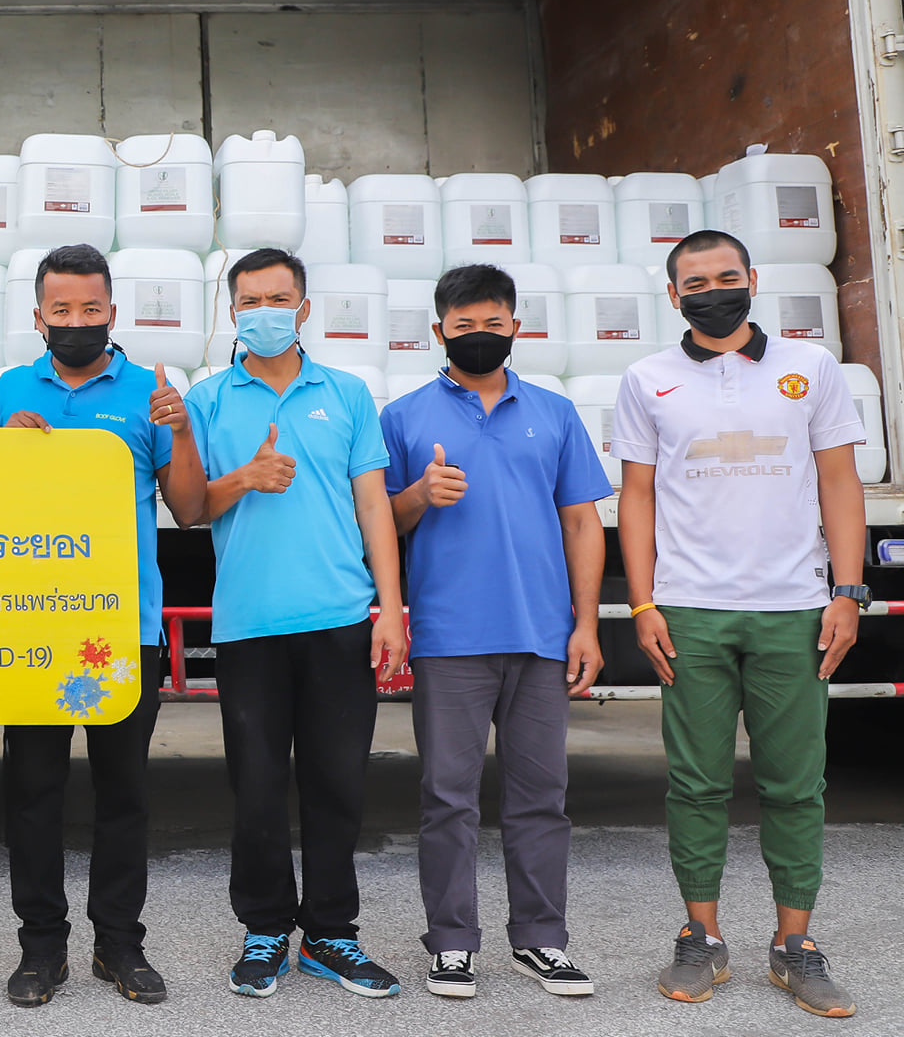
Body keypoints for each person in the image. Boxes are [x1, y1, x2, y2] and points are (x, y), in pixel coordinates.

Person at [615, 230, 866, 1019]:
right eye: (695, 283)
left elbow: (839, 481)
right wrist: (643, 604)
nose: (713, 291)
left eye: (726, 277)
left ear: (753, 280)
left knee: (796, 784)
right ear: (673, 295)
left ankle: (795, 947)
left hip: (794, 609)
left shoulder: (810, 368)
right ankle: (702, 937)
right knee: (696, 783)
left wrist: (848, 592)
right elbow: (636, 495)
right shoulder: (647, 379)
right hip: (690, 610)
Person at [0, 244, 208, 1008]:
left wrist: (181, 429)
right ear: (38, 317)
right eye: (62, 310)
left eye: (91, 309)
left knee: (123, 793)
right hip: (34, 629)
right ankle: (41, 948)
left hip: (121, 630)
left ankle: (119, 945)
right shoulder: (9, 392)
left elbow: (189, 509)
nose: (77, 321)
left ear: (112, 313)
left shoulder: (149, 393)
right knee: (32, 793)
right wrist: (3, 454)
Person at [181, 247, 408, 1000]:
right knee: (255, 787)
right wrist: (245, 477)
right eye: (250, 301)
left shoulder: (346, 393)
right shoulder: (209, 400)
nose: (265, 313)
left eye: (278, 299)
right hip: (249, 624)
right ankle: (265, 930)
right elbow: (191, 508)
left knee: (337, 784)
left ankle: (332, 935)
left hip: (340, 617)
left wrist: (389, 609)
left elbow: (373, 505)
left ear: (304, 309)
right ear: (232, 313)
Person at [378, 264, 609, 999]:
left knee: (541, 796)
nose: (479, 334)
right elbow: (379, 523)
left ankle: (541, 940)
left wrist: (586, 624)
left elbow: (582, 523)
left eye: (492, 322)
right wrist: (420, 494)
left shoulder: (555, 412)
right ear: (438, 330)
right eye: (464, 324)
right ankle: (451, 944)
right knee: (448, 799)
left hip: (542, 635)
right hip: (449, 637)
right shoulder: (404, 417)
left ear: (516, 326)